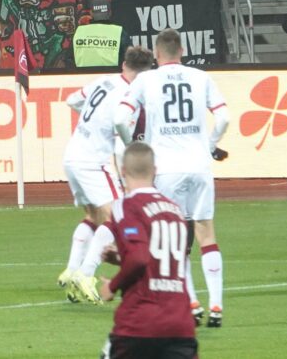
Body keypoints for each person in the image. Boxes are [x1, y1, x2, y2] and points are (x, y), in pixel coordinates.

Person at [116, 29, 230, 330]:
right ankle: (216, 306)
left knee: (174, 238)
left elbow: (119, 119)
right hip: (200, 165)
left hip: (166, 169)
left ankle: (191, 302)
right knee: (206, 233)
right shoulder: (201, 77)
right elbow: (224, 118)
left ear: (156, 54)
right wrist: (210, 144)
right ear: (182, 51)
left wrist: (132, 146)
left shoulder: (146, 80)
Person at [61, 45, 156, 304]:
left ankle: (72, 270)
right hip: (93, 161)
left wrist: (91, 121)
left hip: (72, 154)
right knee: (118, 216)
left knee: (93, 216)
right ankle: (85, 274)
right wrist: (129, 167)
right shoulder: (131, 95)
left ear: (124, 64)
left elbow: (72, 100)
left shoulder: (104, 81)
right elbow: (119, 133)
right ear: (146, 73)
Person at [95, 142, 201, 359]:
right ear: (155, 171)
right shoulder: (175, 210)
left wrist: (112, 286)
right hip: (180, 325)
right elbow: (167, 261)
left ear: (123, 171)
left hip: (140, 323)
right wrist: (121, 258)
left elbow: (139, 258)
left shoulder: (126, 205)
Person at [73, 0, 125, 68]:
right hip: (112, 74)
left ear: (91, 13)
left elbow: (68, 59)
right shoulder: (119, 32)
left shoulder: (79, 32)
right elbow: (130, 59)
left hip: (83, 74)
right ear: (110, 12)